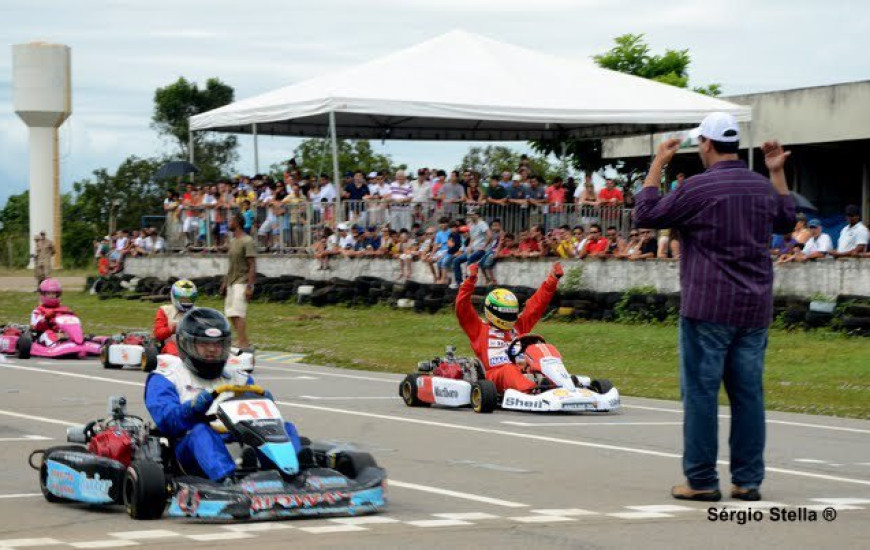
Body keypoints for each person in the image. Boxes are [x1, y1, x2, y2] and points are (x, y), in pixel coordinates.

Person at [634, 112, 796, 503]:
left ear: (706, 143)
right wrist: (776, 172)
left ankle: (702, 480)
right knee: (748, 397)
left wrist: (658, 162)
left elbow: (645, 214)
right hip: (754, 308)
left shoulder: (698, 189)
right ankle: (747, 481)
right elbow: (787, 221)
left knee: (702, 395)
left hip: (708, 305)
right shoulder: (759, 187)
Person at [144, 308, 301, 482]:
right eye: (204, 344)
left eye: (218, 344)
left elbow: (258, 417)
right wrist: (192, 409)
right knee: (200, 431)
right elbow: (167, 422)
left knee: (285, 428)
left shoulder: (238, 376)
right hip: (190, 451)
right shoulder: (166, 377)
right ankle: (227, 481)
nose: (212, 350)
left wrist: (265, 404)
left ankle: (291, 473)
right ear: (186, 344)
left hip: (238, 439)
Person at [455, 262, 563, 394]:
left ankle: (564, 385)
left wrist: (552, 280)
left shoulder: (518, 327)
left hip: (523, 370)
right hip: (495, 376)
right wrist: (470, 281)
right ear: (492, 311)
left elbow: (536, 305)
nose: (509, 316)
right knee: (509, 369)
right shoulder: (479, 329)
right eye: (505, 312)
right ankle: (531, 390)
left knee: (543, 358)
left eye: (512, 312)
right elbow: (462, 308)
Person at [220, 213, 256, 350]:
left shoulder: (247, 241)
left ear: (237, 222)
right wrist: (224, 283)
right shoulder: (233, 241)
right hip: (231, 281)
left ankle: (243, 343)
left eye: (230, 220)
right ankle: (242, 340)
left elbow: (252, 264)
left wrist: (250, 286)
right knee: (230, 312)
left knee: (238, 312)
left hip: (242, 281)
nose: (228, 223)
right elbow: (230, 265)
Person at [153, 280, 198, 355]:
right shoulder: (165, 310)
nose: (186, 301)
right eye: (183, 298)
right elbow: (158, 334)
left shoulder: (199, 312)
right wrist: (172, 329)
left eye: (189, 298)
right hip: (174, 345)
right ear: (174, 296)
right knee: (174, 350)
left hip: (196, 345)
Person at [30, 278, 73, 347]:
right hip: (44, 334)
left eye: (54, 293)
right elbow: (35, 326)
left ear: (58, 294)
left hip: (62, 333)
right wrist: (46, 318)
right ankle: (56, 346)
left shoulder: (64, 309)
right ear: (43, 294)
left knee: (72, 333)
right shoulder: (38, 310)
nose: (52, 295)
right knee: (48, 333)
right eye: (48, 293)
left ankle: (77, 344)